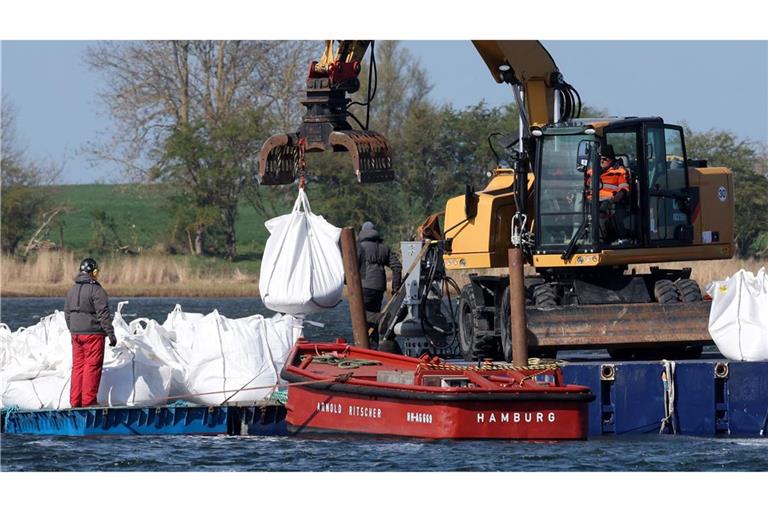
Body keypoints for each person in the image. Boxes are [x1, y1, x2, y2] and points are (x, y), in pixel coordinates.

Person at [64, 258, 117, 408]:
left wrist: (72, 330)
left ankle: (75, 402)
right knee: (92, 367)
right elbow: (103, 314)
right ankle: (89, 402)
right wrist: (110, 334)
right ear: (94, 272)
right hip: (93, 335)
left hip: (76, 334)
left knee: (78, 367)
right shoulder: (97, 290)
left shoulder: (71, 290)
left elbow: (67, 313)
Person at [586, 144, 631, 244]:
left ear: (611, 159)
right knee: (578, 206)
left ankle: (599, 241)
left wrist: (616, 198)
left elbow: (623, 188)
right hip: (591, 200)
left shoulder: (619, 172)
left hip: (609, 201)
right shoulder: (592, 171)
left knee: (601, 213)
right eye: (600, 159)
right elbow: (585, 185)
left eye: (604, 159)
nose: (601, 161)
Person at [357, 221, 402, 314]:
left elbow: (351, 270)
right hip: (379, 289)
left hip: (363, 288)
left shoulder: (358, 247)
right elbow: (397, 266)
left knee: (360, 319)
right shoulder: (384, 248)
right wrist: (396, 288)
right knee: (374, 316)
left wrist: (345, 280)